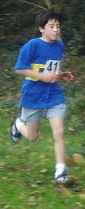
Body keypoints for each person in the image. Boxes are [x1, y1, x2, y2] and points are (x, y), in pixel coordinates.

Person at [10, 9, 74, 185]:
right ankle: (17, 124)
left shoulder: (59, 46)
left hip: (53, 95)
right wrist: (43, 77)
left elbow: (51, 69)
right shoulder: (32, 45)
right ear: (41, 28)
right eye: (51, 26)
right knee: (32, 137)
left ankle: (60, 173)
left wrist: (62, 75)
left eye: (58, 26)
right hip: (33, 95)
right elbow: (19, 68)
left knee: (59, 132)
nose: (55, 30)